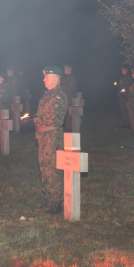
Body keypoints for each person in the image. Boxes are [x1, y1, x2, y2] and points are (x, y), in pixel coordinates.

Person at [34, 66, 68, 214]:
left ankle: (56, 202)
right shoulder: (47, 95)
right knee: (44, 167)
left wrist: (35, 119)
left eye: (46, 77)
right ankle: (48, 198)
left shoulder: (58, 96)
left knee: (52, 168)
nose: (43, 79)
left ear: (55, 78)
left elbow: (52, 118)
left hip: (52, 137)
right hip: (43, 136)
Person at [61, 64, 78, 130]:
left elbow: (71, 88)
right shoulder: (64, 78)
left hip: (68, 100)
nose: (64, 69)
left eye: (66, 68)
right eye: (64, 68)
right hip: (64, 100)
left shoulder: (72, 78)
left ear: (70, 68)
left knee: (69, 118)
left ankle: (68, 132)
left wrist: (62, 89)